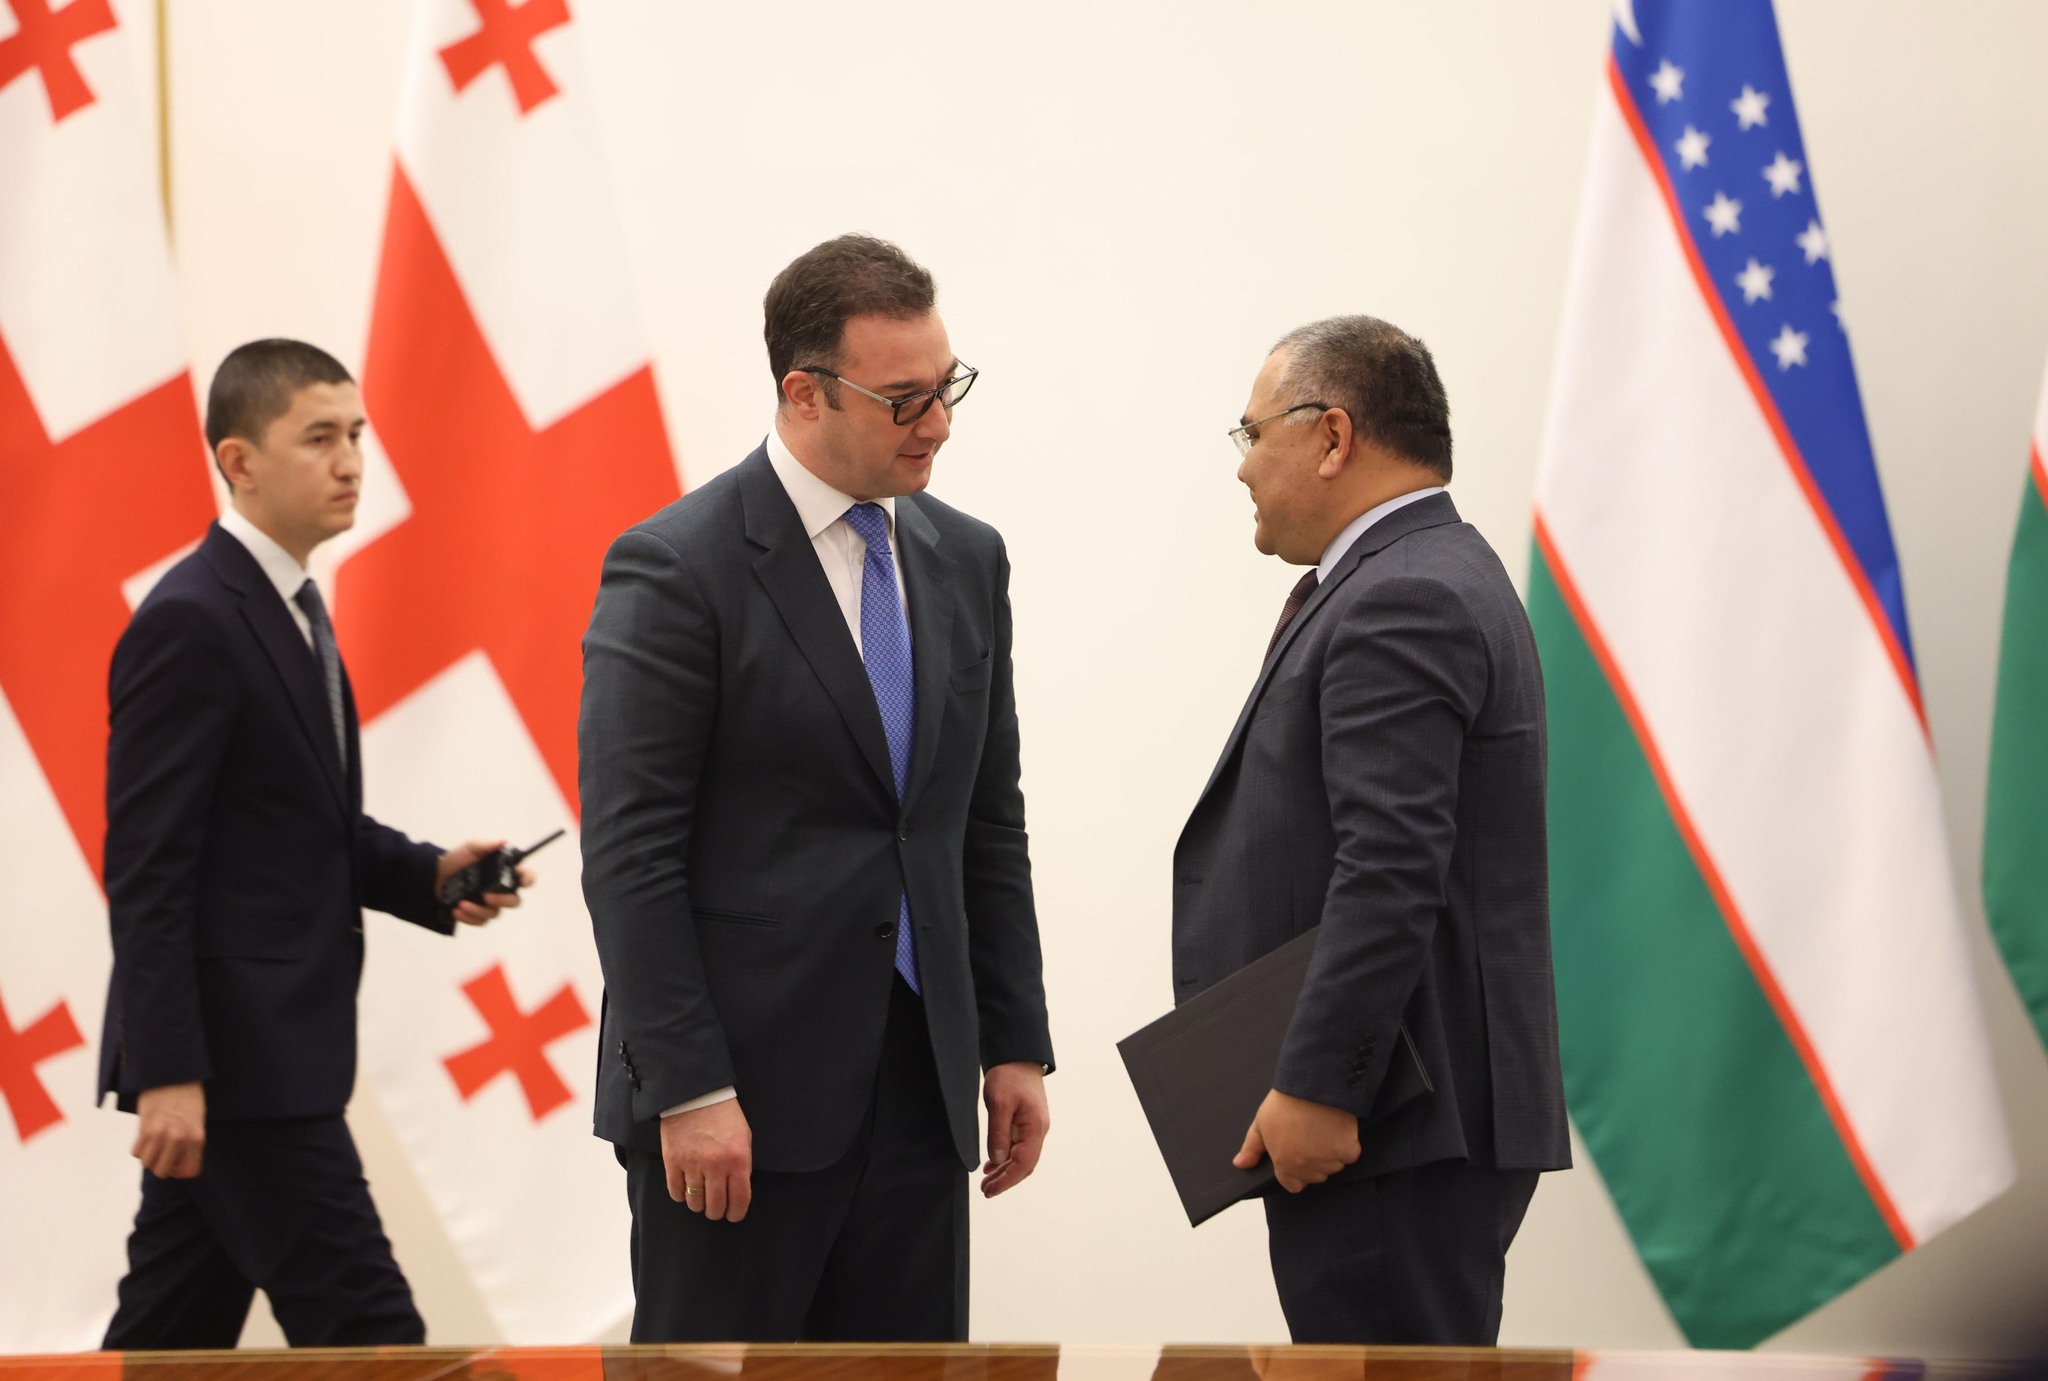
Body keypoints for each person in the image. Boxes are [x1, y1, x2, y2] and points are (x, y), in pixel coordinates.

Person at [579, 233, 1055, 1343]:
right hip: (736, 1110)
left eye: (947, 387)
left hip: (920, 1092)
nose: (937, 423)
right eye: (903, 400)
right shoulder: (677, 566)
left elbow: (984, 823)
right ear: (804, 393)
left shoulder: (967, 558)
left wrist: (1012, 1041)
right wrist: (689, 1088)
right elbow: (631, 856)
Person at [97, 338, 534, 1348]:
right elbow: (149, 869)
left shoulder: (290, 605)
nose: (350, 463)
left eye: (357, 435)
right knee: (377, 1340)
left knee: (167, 1342)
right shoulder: (193, 619)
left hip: (270, 1058)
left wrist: (430, 876)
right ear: (239, 461)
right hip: (239, 1070)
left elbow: (298, 827)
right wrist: (168, 1070)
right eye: (319, 438)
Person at [1172, 316, 1570, 1345]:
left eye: (1251, 433)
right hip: (1410, 1120)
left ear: (1331, 435)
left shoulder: (1405, 595)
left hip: (1393, 1124)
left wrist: (1318, 1082)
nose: (1242, 466)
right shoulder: (1425, 571)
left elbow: (1390, 867)